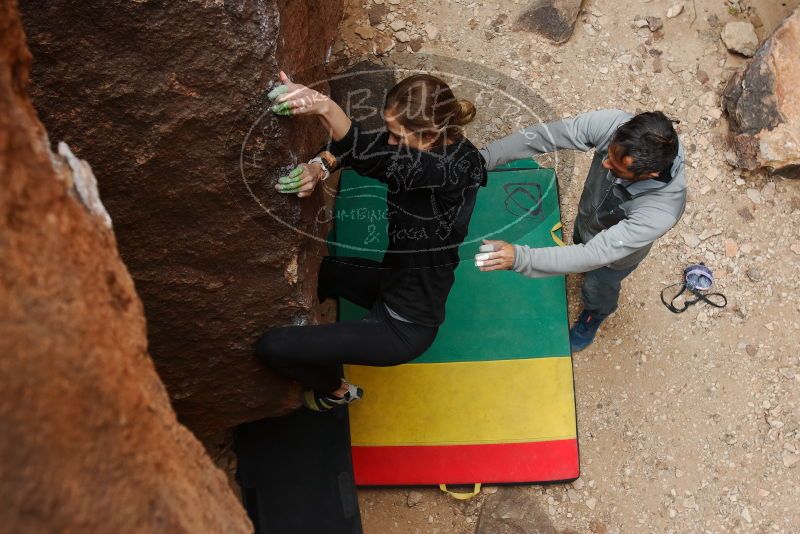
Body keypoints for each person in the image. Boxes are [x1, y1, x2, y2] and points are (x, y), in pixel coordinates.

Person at [257, 72, 486, 411]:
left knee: (271, 347)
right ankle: (313, 334)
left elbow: (371, 154)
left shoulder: (451, 168)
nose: (389, 140)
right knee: (324, 271)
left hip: (403, 327)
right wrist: (319, 167)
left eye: (396, 135)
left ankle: (335, 391)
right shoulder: (426, 143)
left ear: (428, 136)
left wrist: (323, 105)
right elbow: (360, 149)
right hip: (390, 282)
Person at [474, 110, 685, 351]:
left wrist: (519, 258)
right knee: (579, 241)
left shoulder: (660, 211)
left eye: (616, 168)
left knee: (598, 286)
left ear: (649, 175)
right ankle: (582, 250)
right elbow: (545, 136)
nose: (605, 164)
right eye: (609, 153)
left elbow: (593, 254)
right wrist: (482, 159)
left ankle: (596, 313)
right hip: (588, 219)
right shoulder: (614, 124)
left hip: (615, 259)